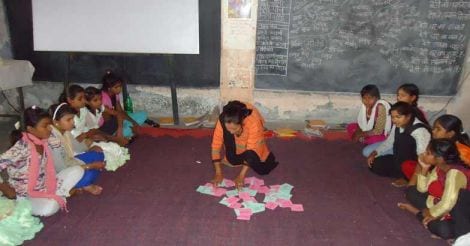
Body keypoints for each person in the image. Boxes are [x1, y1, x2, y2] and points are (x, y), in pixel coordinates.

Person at [0, 106, 84, 216]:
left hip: (45, 185)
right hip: (26, 194)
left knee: (78, 170)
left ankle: (58, 195)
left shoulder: (44, 141)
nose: (50, 129)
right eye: (45, 126)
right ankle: (61, 195)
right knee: (50, 208)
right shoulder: (21, 148)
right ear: (30, 129)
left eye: (50, 125)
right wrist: (4, 187)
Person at [398, 139, 470, 241]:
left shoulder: (455, 174)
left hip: (457, 215)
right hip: (438, 202)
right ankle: (424, 215)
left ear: (439, 158)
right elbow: (422, 189)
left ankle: (418, 213)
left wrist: (432, 214)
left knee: (443, 229)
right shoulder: (440, 166)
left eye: (428, 153)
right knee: (411, 192)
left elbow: (448, 203)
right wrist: (424, 168)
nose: (423, 154)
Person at [211, 101, 278, 189]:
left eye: (234, 128)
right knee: (232, 160)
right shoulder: (223, 119)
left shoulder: (253, 122)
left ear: (242, 123)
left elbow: (251, 151)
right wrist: (218, 173)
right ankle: (239, 156)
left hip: (253, 147)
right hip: (239, 140)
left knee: (263, 170)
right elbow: (216, 144)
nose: (231, 132)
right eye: (229, 128)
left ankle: (266, 156)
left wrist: (241, 176)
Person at [48, 103, 105, 195]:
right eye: (68, 120)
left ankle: (82, 184)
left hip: (71, 162)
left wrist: (90, 145)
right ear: (56, 122)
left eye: (73, 119)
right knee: (89, 173)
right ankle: (83, 184)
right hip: (62, 173)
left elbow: (78, 147)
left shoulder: (65, 132)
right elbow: (61, 169)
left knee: (98, 154)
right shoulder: (52, 140)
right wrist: (90, 166)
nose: (73, 122)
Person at [367, 102, 431, 185]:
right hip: (399, 160)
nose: (394, 120)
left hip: (415, 164)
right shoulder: (398, 124)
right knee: (374, 164)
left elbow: (423, 159)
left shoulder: (419, 131)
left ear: (409, 116)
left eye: (398, 117)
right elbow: (389, 142)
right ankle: (401, 173)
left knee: (404, 141)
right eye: (392, 117)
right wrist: (374, 153)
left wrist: (410, 181)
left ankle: (407, 177)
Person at [346, 84, 392, 157]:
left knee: (374, 139)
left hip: (381, 133)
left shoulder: (380, 107)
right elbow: (362, 123)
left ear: (377, 98)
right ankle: (365, 140)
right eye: (364, 98)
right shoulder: (365, 107)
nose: (367, 101)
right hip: (369, 130)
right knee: (350, 127)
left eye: (370, 98)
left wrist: (360, 134)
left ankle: (366, 141)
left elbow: (378, 130)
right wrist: (358, 131)